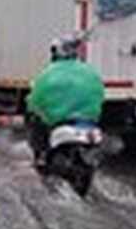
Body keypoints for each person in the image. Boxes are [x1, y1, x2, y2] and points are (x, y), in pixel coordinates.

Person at [26, 35, 103, 165]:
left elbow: (36, 100)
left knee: (35, 121)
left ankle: (40, 158)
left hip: (61, 123)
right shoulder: (90, 72)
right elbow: (100, 94)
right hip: (88, 123)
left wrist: (33, 106)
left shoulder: (48, 73)